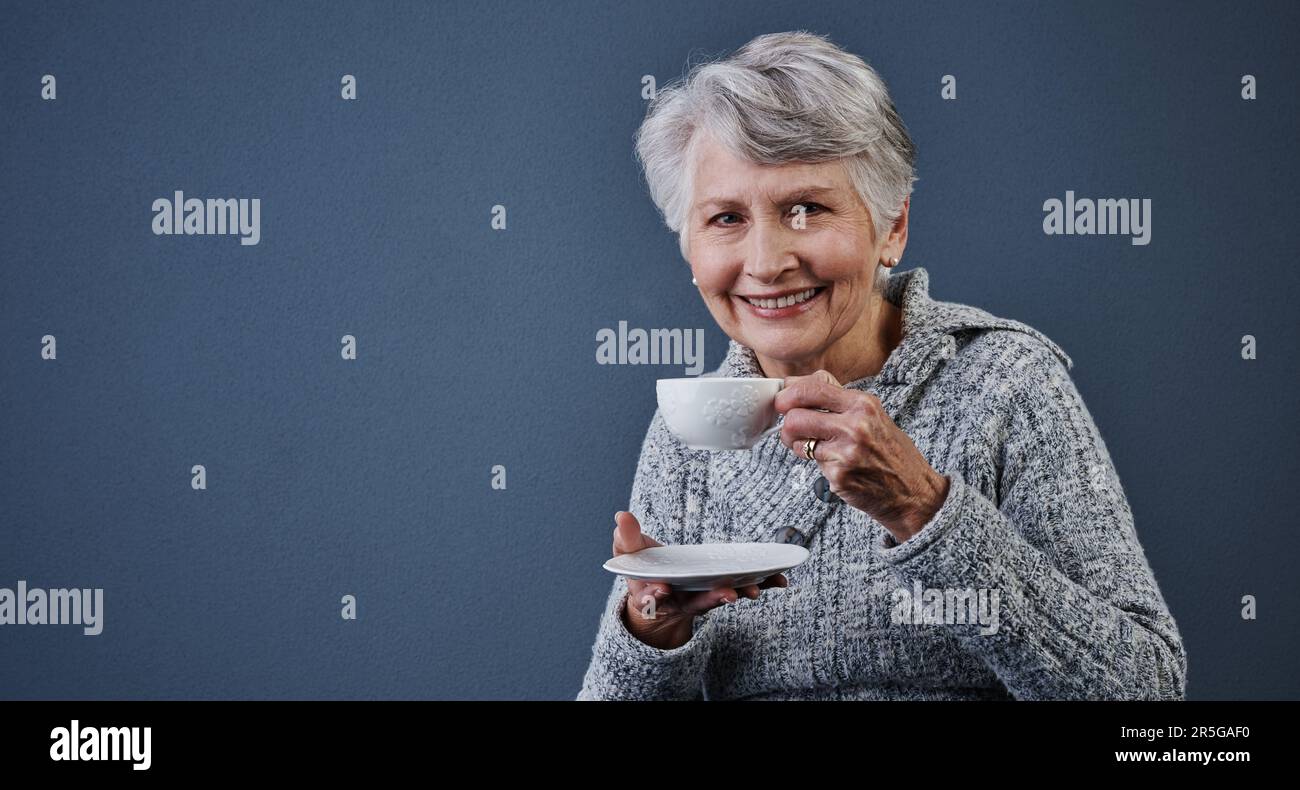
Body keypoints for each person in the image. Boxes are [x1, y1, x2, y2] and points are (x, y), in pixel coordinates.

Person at [578, 31, 1186, 700]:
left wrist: (927, 512)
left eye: (805, 209)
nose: (765, 262)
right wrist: (649, 628)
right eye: (725, 218)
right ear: (688, 245)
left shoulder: (1005, 380)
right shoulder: (685, 435)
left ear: (891, 227)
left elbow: (1145, 690)